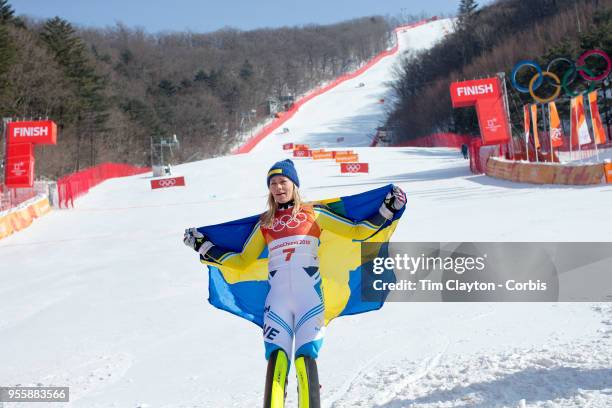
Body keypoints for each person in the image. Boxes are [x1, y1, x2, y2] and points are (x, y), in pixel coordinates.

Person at [183, 159, 406, 407]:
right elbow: (242, 261)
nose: (278, 187)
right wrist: (204, 246)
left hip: (309, 298)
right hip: (276, 301)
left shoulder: (315, 213)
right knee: (277, 360)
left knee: (304, 359)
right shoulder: (264, 223)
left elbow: (357, 232)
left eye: (283, 182)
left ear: (294, 184)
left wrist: (388, 210)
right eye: (273, 184)